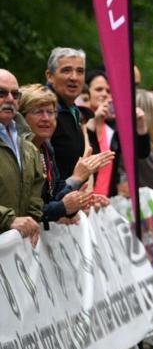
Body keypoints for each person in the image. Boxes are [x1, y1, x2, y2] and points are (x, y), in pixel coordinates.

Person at [18, 84, 112, 224]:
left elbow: (55, 196)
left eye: (50, 112)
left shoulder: (46, 148)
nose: (46, 118)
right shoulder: (18, 151)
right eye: (38, 112)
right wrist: (76, 178)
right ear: (21, 117)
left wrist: (79, 199)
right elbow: (27, 211)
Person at [0, 71, 44, 245]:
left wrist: (30, 221)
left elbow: (36, 188)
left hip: (15, 249)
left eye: (15, 94)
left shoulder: (27, 142)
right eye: (1, 93)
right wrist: (8, 219)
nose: (10, 99)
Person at [45, 47, 89, 181]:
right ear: (50, 76)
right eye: (66, 70)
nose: (74, 77)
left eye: (80, 71)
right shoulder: (44, 109)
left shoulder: (74, 110)